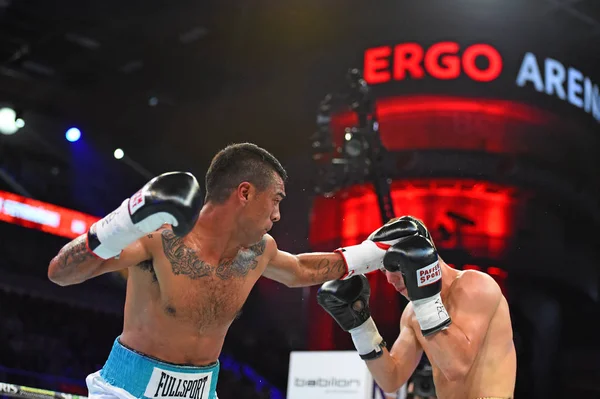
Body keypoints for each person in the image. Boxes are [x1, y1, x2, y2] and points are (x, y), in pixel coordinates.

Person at [47, 143, 410, 399]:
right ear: (246, 192)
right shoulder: (160, 237)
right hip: (127, 390)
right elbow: (60, 273)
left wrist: (375, 252)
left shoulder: (258, 252)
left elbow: (301, 269)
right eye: (277, 200)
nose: (278, 215)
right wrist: (125, 219)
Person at [317, 216, 517, 399]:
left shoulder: (475, 285)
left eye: (395, 266)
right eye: (384, 269)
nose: (389, 279)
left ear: (422, 258)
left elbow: (457, 367)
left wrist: (425, 299)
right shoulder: (414, 312)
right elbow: (391, 379)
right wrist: (361, 326)